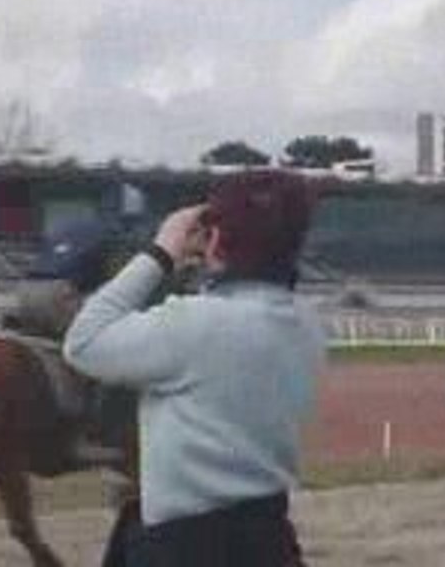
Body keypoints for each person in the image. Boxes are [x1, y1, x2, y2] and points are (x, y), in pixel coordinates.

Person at [62, 170, 324, 567]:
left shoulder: (194, 324)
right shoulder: (306, 325)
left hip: (183, 544)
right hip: (269, 536)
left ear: (215, 241)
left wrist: (161, 251)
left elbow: (83, 342)